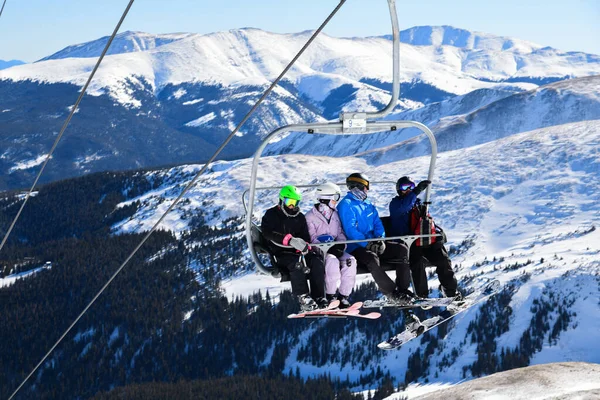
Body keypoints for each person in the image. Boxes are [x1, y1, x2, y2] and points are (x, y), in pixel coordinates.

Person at [337, 173, 414, 303]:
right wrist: (367, 244)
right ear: (359, 186)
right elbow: (351, 231)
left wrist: (380, 239)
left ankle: (403, 290)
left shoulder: (368, 203)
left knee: (401, 250)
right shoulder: (346, 204)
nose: (367, 190)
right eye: (366, 187)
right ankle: (392, 293)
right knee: (372, 259)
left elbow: (378, 223)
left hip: (374, 242)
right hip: (356, 246)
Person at [389, 176, 460, 299]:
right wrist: (416, 192)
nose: (408, 190)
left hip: (422, 240)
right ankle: (422, 295)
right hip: (407, 243)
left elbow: (425, 221)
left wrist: (438, 233)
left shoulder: (419, 204)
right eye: (404, 187)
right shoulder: (395, 204)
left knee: (442, 258)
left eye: (411, 186)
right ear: (399, 190)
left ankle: (450, 290)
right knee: (417, 262)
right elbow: (404, 207)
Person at [261, 185, 327, 311]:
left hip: (298, 252)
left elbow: (305, 236)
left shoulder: (299, 217)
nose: (292, 206)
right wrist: (288, 240)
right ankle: (304, 298)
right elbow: (268, 233)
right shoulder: (271, 215)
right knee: (297, 265)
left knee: (316, 261)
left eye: (295, 202)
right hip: (281, 253)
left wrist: (303, 245)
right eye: (289, 202)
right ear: (281, 200)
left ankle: (319, 297)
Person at [305, 182, 357, 308]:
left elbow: (340, 233)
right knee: (332, 262)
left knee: (351, 261)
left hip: (335, 249)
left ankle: (343, 296)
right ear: (325, 198)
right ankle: (330, 295)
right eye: (335, 198)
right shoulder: (310, 217)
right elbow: (311, 239)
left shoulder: (335, 215)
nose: (336, 202)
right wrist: (328, 249)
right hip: (320, 252)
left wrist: (340, 245)